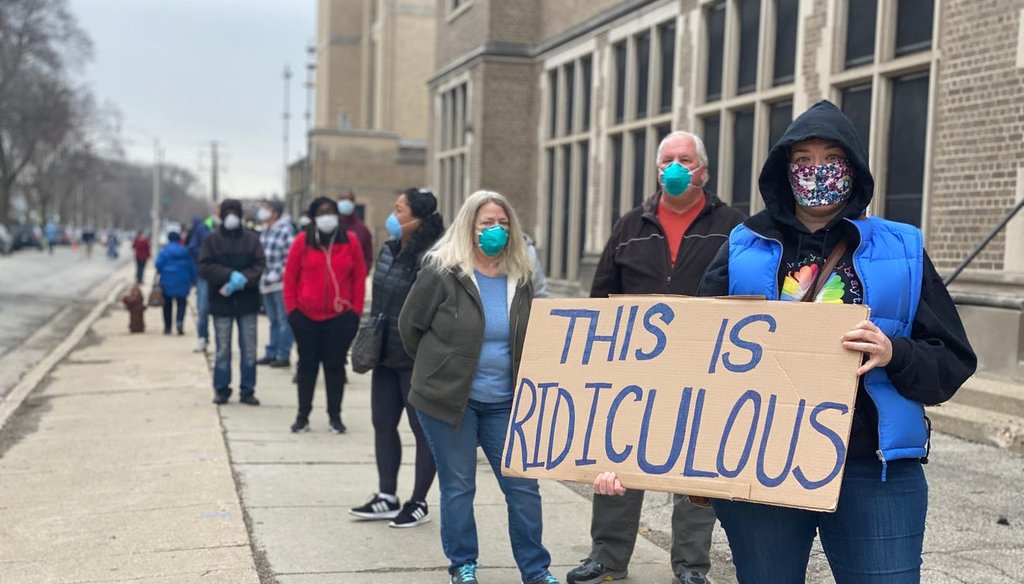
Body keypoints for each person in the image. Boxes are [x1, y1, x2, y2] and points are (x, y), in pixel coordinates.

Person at [599, 101, 978, 583]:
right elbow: (688, 362)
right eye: (802, 159)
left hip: (872, 472)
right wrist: (621, 453)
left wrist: (893, 352)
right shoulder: (741, 246)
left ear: (854, 167)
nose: (816, 171)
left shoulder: (901, 248)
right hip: (762, 470)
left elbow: (953, 361)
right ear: (783, 169)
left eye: (830, 158)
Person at [568, 131, 746, 584]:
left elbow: (747, 297)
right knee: (618, 463)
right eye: (667, 159)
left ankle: (690, 566)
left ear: (703, 170)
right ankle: (607, 558)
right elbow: (601, 295)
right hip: (632, 374)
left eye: (685, 159)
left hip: (702, 372)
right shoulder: (630, 225)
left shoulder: (734, 226)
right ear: (656, 168)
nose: (675, 166)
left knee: (693, 474)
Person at [399, 190, 560, 584]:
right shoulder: (441, 271)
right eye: (487, 223)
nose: (496, 230)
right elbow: (410, 328)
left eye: (503, 224)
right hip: (449, 402)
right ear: (469, 226)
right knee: (459, 486)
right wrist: (443, 368)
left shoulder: (520, 275)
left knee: (523, 489)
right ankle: (464, 564)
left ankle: (536, 570)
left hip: (506, 402)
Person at [349, 188, 444, 528]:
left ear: (417, 218)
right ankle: (386, 496)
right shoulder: (388, 251)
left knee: (423, 432)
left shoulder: (434, 257)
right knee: (382, 423)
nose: (392, 215)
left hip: (417, 358)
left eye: (399, 210)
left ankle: (418, 501)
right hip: (385, 355)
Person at [283, 197, 366, 433]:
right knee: (306, 366)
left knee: (335, 367)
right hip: (306, 317)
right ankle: (302, 416)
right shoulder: (302, 242)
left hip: (340, 318)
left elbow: (359, 276)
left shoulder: (350, 242)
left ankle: (335, 417)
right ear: (313, 217)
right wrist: (293, 311)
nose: (326, 216)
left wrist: (355, 311)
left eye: (330, 211)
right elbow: (290, 277)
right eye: (321, 212)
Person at [199, 199, 266, 406]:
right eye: (227, 212)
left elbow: (260, 264)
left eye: (234, 212)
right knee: (222, 349)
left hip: (247, 301)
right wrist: (229, 275)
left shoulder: (252, 239)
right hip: (221, 303)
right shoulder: (211, 240)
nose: (231, 216)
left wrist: (244, 279)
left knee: (249, 348)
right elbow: (204, 266)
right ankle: (221, 388)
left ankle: (247, 389)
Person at [256, 199, 295, 368]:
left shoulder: (285, 231)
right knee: (273, 320)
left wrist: (279, 273)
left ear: (275, 213)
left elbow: (291, 257)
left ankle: (283, 354)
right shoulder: (265, 231)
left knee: (283, 319)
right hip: (265, 282)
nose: (262, 211)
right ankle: (271, 352)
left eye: (266, 208)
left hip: (280, 283)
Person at [155, 232, 196, 335]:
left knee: (167, 304)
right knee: (181, 303)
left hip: (167, 280)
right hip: (183, 279)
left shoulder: (164, 251)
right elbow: (192, 266)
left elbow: (158, 264)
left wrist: (162, 272)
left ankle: (168, 326)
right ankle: (179, 322)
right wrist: (193, 280)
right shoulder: (185, 251)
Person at [189, 210, 215, 352]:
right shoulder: (201, 229)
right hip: (205, 274)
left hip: (220, 274)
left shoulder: (223, 228)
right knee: (203, 308)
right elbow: (192, 248)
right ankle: (202, 338)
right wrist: (205, 258)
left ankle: (220, 340)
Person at [337, 191, 373, 269]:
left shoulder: (362, 229)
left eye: (349, 200)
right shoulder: (332, 226)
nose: (345, 203)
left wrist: (363, 273)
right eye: (343, 200)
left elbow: (368, 256)